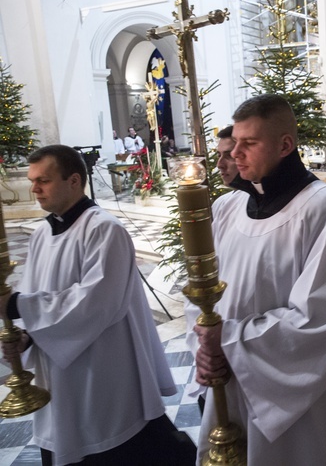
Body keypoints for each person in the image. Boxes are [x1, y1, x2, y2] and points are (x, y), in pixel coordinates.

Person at [186, 94, 326, 465]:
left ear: (284, 145)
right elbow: (199, 290)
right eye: (236, 143)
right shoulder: (227, 208)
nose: (235, 155)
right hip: (235, 379)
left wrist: (227, 341)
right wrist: (204, 345)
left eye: (250, 144)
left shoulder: (324, 209)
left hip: (307, 400)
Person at [0, 145, 189, 466]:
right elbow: (36, 294)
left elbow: (97, 302)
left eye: (43, 180)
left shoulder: (104, 229)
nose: (34, 189)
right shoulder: (42, 233)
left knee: (114, 449)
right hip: (56, 376)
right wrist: (26, 336)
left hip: (102, 373)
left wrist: (16, 304)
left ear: (74, 180)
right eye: (32, 181)